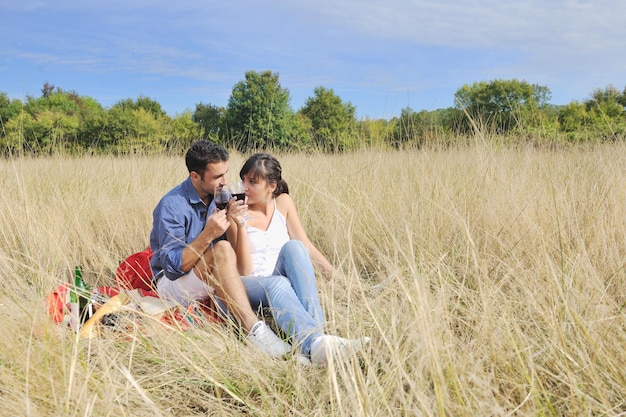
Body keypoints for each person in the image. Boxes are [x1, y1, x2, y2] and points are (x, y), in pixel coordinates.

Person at [149, 140, 290, 358]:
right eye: (217, 177)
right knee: (222, 248)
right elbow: (173, 268)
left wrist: (237, 224)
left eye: (225, 173)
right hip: (173, 285)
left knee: (233, 251)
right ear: (195, 177)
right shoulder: (172, 205)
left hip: (209, 276)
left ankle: (300, 332)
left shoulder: (221, 196)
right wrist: (208, 235)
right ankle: (255, 330)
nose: (225, 181)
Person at [225, 153, 370, 365]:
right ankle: (315, 344)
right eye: (244, 180)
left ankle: (316, 343)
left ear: (271, 186)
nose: (245, 187)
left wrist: (344, 283)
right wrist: (239, 225)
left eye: (253, 182)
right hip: (251, 284)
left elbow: (306, 246)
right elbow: (244, 270)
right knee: (278, 283)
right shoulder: (236, 214)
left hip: (279, 278)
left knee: (294, 246)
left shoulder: (283, 203)